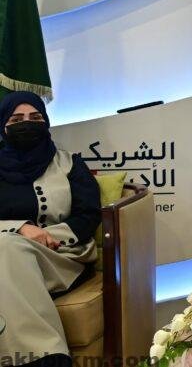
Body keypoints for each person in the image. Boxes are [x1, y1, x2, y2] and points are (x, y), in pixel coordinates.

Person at [0, 91, 101, 367]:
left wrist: (47, 236)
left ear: (46, 122)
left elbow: (88, 214)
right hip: (8, 254)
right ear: (3, 126)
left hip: (62, 257)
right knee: (8, 248)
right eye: (17, 119)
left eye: (35, 117)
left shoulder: (70, 164)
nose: (27, 123)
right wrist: (21, 228)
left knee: (6, 250)